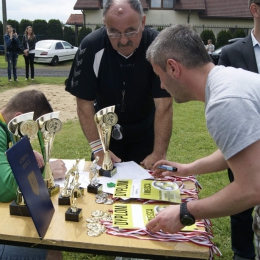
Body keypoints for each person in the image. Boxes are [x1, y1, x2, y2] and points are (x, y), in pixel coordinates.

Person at [145, 24, 260, 259]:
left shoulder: (224, 101)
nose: (161, 85)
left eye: (159, 76)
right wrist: (189, 168)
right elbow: (244, 147)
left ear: (173, 68)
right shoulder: (228, 81)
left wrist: (185, 211)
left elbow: (252, 188)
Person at [65, 0, 173, 170]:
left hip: (145, 134)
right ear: (105, 24)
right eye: (114, 32)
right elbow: (84, 104)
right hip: (105, 137)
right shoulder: (91, 47)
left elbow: (164, 105)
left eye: (130, 31)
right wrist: (99, 150)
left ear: (143, 22)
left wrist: (159, 153)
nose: (123, 41)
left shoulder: (157, 46)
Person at [0, 89, 65, 259]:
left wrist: (24, 154)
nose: (31, 136)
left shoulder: (6, 129)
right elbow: (6, 189)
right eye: (31, 129)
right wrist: (44, 171)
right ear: (19, 117)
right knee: (51, 248)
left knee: (51, 239)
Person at [217, 1, 260, 259]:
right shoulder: (231, 54)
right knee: (241, 207)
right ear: (255, 9)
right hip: (242, 146)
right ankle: (242, 255)